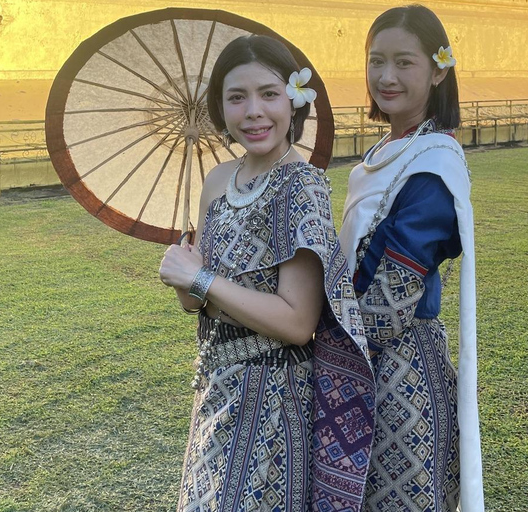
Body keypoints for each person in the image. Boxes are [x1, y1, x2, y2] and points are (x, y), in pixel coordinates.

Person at [158, 35, 368, 511]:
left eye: (269, 94)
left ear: (294, 103)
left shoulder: (301, 186)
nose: (253, 111)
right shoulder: (216, 180)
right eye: (237, 97)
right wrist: (183, 271)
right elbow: (193, 305)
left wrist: (202, 280)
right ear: (220, 108)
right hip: (215, 386)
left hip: (272, 393)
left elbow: (297, 323)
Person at [335, 5, 485, 512]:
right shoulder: (385, 151)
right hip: (356, 361)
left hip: (399, 379)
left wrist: (302, 325)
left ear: (439, 69)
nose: (386, 77)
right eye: (376, 61)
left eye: (404, 62)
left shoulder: (434, 165)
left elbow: (388, 303)